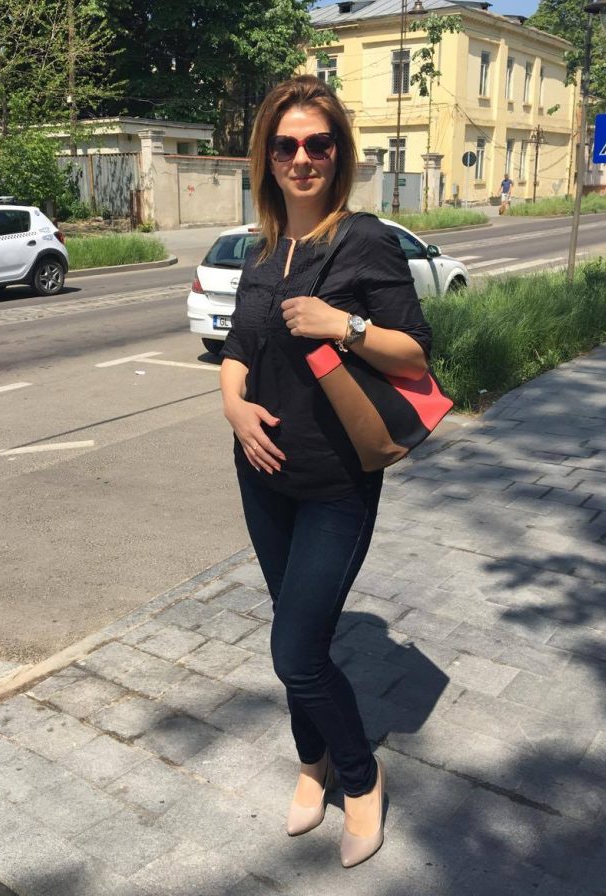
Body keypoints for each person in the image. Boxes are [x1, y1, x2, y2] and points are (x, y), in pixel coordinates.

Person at [219, 76, 431, 868]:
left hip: (337, 482)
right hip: (261, 476)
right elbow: (237, 351)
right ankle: (312, 764)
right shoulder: (261, 250)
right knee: (292, 632)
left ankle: (360, 776)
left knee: (296, 653)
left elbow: (416, 355)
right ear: (267, 157)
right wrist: (235, 409)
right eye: (286, 145)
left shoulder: (363, 239)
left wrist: (344, 323)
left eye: (318, 143)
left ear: (338, 154)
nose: (302, 158)